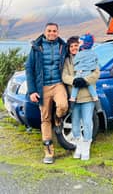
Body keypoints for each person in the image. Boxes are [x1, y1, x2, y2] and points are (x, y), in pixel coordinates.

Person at [25, 22, 68, 164]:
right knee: (45, 119)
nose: (52, 33)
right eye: (49, 31)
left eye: (54, 31)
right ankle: (48, 152)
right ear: (45, 32)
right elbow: (29, 69)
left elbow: (73, 57)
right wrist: (32, 91)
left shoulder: (63, 46)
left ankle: (58, 119)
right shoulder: (36, 47)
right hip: (42, 86)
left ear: (58, 32)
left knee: (62, 105)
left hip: (58, 84)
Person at [62, 35, 100, 161]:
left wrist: (84, 80)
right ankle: (78, 146)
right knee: (76, 123)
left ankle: (86, 147)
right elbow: (64, 76)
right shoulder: (67, 61)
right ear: (69, 48)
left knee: (88, 122)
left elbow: (96, 73)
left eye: (76, 46)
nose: (74, 48)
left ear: (81, 46)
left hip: (88, 97)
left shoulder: (90, 56)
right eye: (71, 46)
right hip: (74, 97)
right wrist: (75, 80)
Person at [69, 33, 101, 113]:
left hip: (80, 74)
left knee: (74, 90)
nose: (75, 47)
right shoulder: (93, 53)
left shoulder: (79, 55)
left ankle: (71, 108)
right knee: (93, 91)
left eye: (78, 44)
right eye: (71, 46)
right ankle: (98, 107)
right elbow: (96, 62)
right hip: (88, 73)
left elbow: (75, 62)